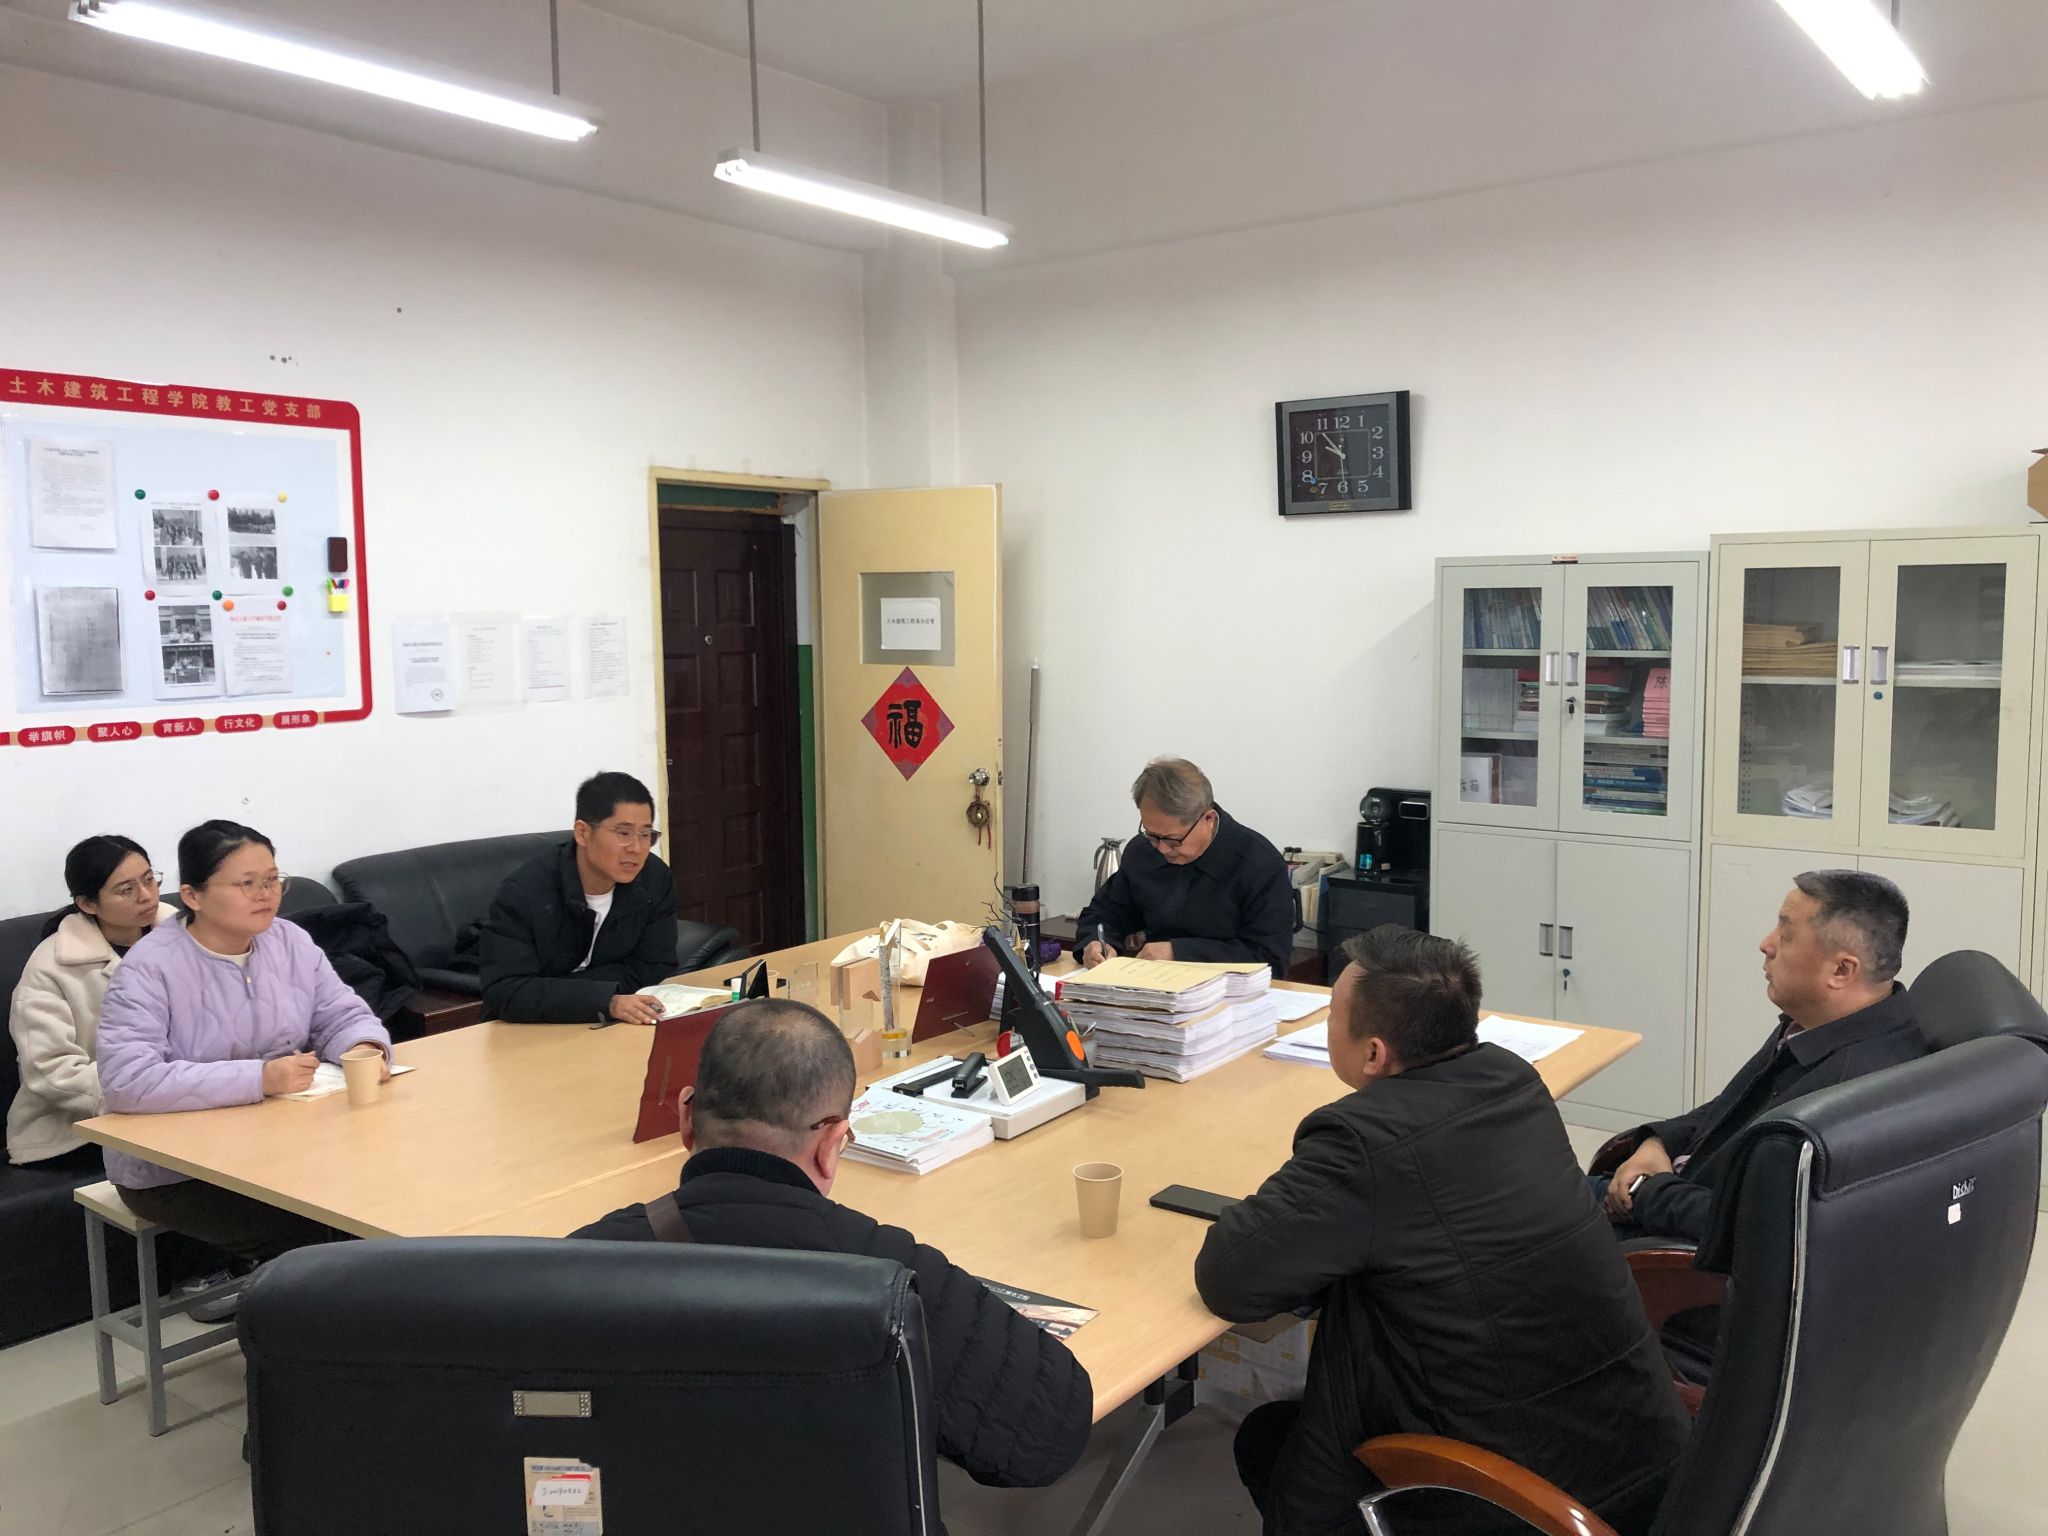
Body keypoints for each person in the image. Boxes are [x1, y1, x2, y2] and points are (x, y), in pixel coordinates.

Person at [1195, 926, 1688, 1536]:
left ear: (1373, 1054)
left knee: (1268, 1440)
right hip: (1641, 1458)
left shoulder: (1362, 1142)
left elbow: (1230, 1278)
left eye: (1332, 1016)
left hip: (1518, 1501)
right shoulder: (1511, 1080)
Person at [573, 999, 1093, 1492]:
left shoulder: (572, 1266)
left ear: (686, 1117)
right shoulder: (887, 1273)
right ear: (830, 1144)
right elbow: (1049, 1434)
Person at [97, 821, 392, 1262]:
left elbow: (340, 1014)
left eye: (272, 880)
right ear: (193, 896)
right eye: (246, 884)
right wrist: (260, 1078)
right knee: (326, 1231)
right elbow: (128, 1081)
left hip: (283, 1143)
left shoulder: (289, 941)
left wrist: (363, 1046)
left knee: (386, 1188)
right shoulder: (148, 968)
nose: (265, 895)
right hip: (175, 1173)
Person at [1596, 869, 1922, 1245]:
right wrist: (1657, 1143)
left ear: (1841, 969)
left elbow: (1757, 1230)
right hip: (1671, 1195)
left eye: (1786, 934)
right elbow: (1732, 1109)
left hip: (1668, 1241)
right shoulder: (1823, 1025)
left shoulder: (1846, 1095)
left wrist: (1647, 1191)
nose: (1766, 944)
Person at [7, 836, 176, 1169]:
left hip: (178, 1101)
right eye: (126, 890)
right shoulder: (50, 968)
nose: (146, 895)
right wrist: (145, 1091)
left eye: (149, 880)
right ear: (87, 903)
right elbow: (51, 1070)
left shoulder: (183, 936)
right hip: (77, 1130)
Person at [480, 771, 681, 1024]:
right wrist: (604, 1000)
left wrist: (571, 992)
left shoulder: (654, 878)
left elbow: (656, 966)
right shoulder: (523, 892)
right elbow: (506, 990)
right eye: (623, 833)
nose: (637, 848)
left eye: (645, 834)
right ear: (582, 833)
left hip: (611, 1023)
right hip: (527, 1030)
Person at [1073, 757, 1294, 974]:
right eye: (1151, 834)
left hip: (1229, 992)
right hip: (1153, 985)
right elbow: (1104, 914)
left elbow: (1269, 958)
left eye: (1172, 840)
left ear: (1208, 819)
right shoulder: (1143, 851)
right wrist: (1096, 942)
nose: (1161, 849)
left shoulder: (1259, 864)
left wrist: (1178, 952)